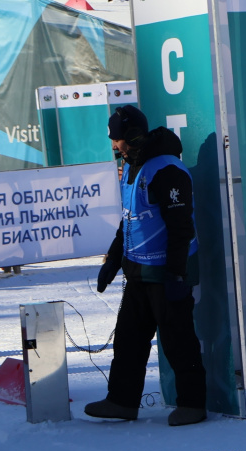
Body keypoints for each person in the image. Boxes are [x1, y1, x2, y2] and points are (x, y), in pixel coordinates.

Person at [83, 105, 207, 427]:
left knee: (178, 340)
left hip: (167, 270)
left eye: (118, 139)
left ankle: (192, 405)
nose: (114, 146)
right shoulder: (132, 167)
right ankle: (121, 402)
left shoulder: (167, 170)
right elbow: (129, 221)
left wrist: (178, 273)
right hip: (138, 270)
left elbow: (181, 228)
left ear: (134, 136)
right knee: (128, 339)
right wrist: (113, 261)